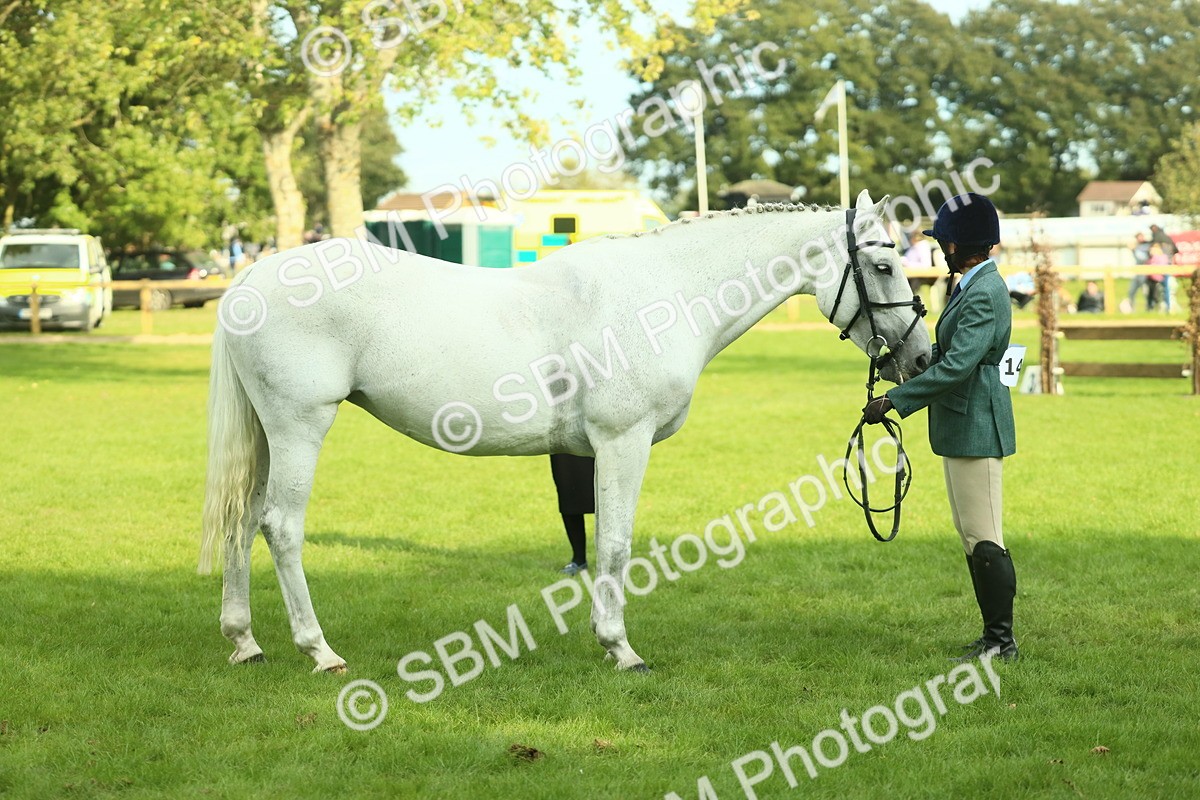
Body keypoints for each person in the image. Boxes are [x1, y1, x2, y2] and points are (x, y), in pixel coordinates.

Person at [863, 192, 1019, 662]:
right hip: (959, 421)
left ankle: (1002, 641)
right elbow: (949, 357)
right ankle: (991, 637)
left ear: (957, 246)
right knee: (972, 534)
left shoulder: (986, 291)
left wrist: (895, 400)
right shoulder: (970, 285)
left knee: (986, 536)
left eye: (944, 242)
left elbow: (957, 369)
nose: (940, 249)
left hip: (976, 422)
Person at [549, 454, 594, 574]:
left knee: (608, 500)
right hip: (564, 442)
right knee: (568, 488)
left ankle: (613, 559)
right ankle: (579, 560)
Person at [1121, 233, 1151, 314]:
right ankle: (1131, 309)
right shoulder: (1137, 246)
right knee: (1131, 292)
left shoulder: (1147, 246)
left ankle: (1149, 309)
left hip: (1144, 273)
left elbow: (1142, 259)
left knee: (1146, 292)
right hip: (1137, 272)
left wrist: (1134, 250)